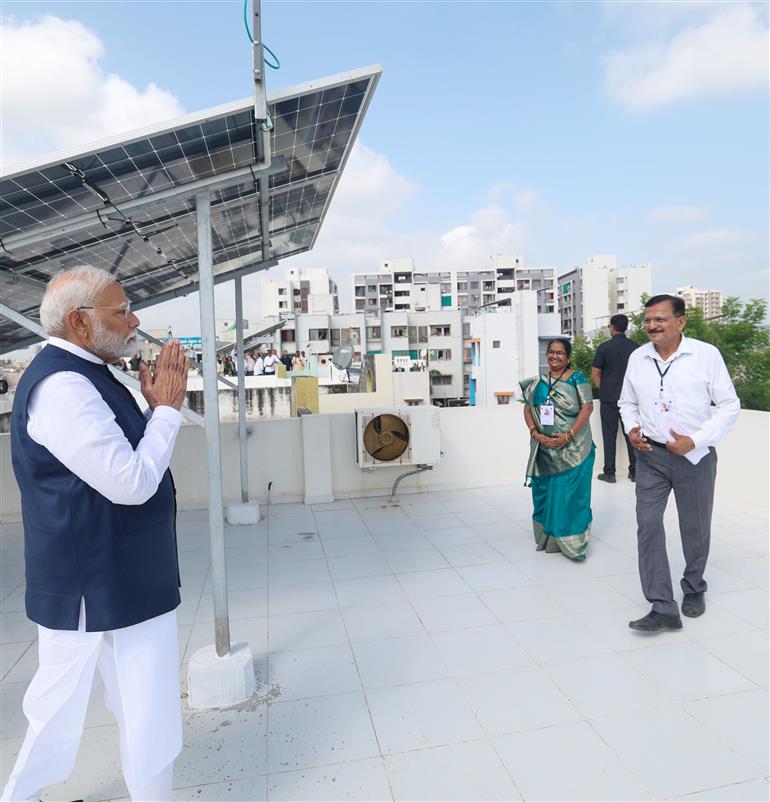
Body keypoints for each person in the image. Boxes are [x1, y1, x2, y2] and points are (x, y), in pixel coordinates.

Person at [3, 265, 188, 802]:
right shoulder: (63, 386)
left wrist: (155, 410)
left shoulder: (88, 373)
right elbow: (130, 482)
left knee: (91, 706)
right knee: (117, 707)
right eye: (121, 310)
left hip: (111, 575)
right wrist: (168, 414)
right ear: (80, 323)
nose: (134, 320)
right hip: (99, 581)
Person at [619, 294, 739, 632]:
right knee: (648, 524)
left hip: (694, 456)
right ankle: (662, 605)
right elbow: (626, 402)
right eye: (648, 320)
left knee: (695, 527)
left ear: (680, 322)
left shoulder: (705, 355)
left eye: (660, 319)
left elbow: (730, 405)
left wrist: (696, 440)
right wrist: (632, 429)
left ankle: (694, 587)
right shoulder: (638, 357)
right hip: (650, 456)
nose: (652, 326)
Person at [520, 338, 595, 559]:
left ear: (568, 357)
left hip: (575, 449)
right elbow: (527, 409)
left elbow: (588, 407)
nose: (554, 356)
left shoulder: (577, 378)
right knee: (545, 493)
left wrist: (568, 435)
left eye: (560, 353)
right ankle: (549, 539)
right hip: (545, 449)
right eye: (551, 352)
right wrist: (536, 434)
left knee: (572, 495)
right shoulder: (537, 382)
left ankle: (572, 543)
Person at [591, 314, 639, 483]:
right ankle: (635, 472)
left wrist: (603, 388)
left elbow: (595, 373)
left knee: (609, 435)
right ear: (625, 327)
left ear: (612, 327)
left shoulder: (604, 347)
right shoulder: (636, 348)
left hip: (609, 398)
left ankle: (609, 473)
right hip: (631, 399)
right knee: (631, 433)